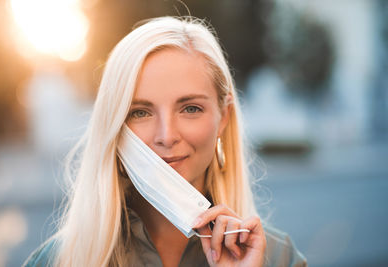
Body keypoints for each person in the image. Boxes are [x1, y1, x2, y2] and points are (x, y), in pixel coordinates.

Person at [24, 16, 307, 267]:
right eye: (140, 112)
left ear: (223, 117)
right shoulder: (58, 261)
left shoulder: (278, 258)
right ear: (112, 126)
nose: (167, 136)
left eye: (190, 108)